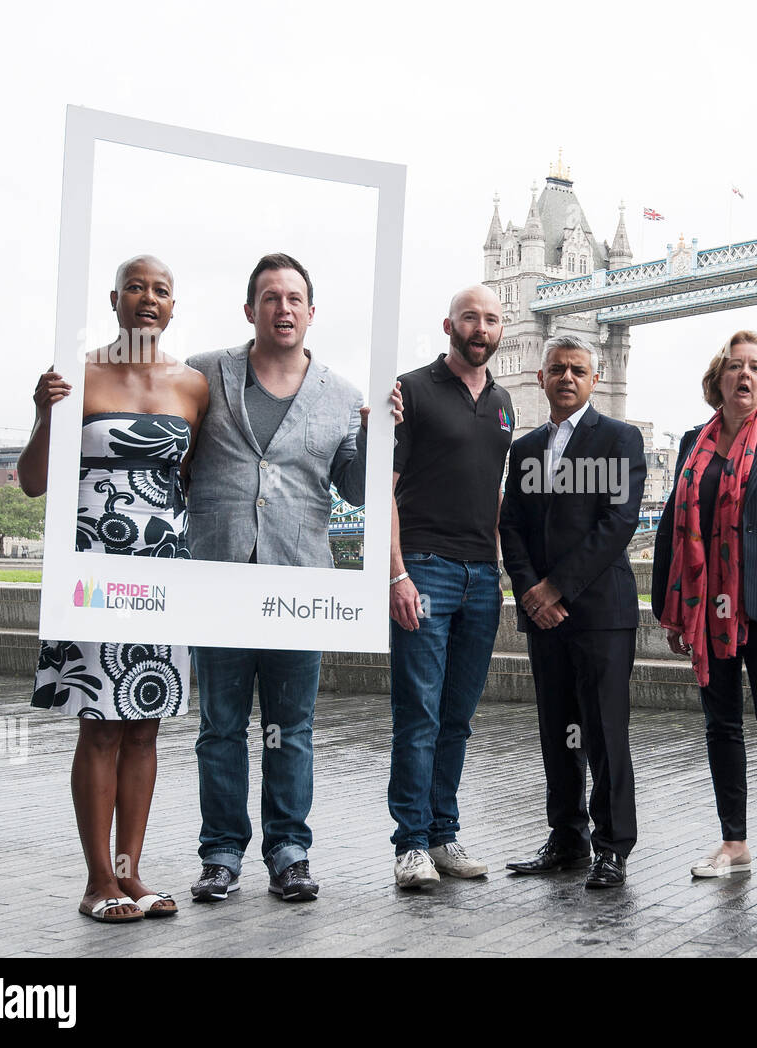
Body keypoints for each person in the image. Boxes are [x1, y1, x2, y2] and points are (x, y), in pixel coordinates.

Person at [186, 252, 401, 903]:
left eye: (294, 298)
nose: (283, 308)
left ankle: (289, 851)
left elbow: (358, 491)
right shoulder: (202, 375)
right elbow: (171, 455)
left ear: (311, 313)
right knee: (220, 727)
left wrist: (385, 440)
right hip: (218, 581)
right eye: (270, 297)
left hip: (299, 589)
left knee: (291, 728)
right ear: (250, 310)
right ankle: (221, 852)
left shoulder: (342, 398)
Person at [20, 254, 209, 922]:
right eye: (136, 287)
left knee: (144, 724)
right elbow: (34, 481)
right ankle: (97, 880)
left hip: (163, 574)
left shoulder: (192, 385)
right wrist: (45, 416)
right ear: (115, 299)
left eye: (161, 288)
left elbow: (186, 480)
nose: (148, 298)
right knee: (100, 726)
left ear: (172, 305)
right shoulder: (74, 378)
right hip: (94, 570)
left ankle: (131, 874)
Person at [652, 330, 757, 890]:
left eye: (756, 367)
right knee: (721, 725)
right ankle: (736, 842)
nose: (745, 375)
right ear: (718, 379)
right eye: (735, 367)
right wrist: (670, 607)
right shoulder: (691, 443)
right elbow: (671, 528)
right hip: (705, 610)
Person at [500, 335, 646, 889]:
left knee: (605, 732)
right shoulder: (525, 448)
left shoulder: (618, 438)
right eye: (556, 369)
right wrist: (529, 591)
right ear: (540, 378)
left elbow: (619, 522)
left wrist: (555, 588)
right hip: (542, 614)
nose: (566, 377)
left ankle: (612, 846)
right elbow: (509, 524)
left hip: (600, 612)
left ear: (595, 378)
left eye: (578, 370)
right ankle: (566, 839)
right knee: (558, 728)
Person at [387, 284, 514, 890]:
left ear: (501, 328)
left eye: (491, 319)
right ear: (448, 324)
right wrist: (397, 573)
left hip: (481, 577)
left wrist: (498, 566)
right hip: (426, 567)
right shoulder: (411, 390)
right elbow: (383, 486)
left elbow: (492, 489)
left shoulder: (504, 402)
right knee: (420, 713)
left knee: (458, 715)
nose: (480, 328)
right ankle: (409, 843)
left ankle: (442, 833)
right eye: (470, 318)